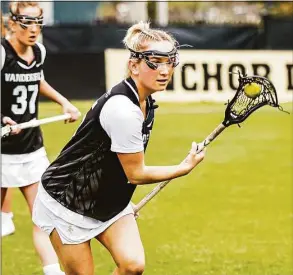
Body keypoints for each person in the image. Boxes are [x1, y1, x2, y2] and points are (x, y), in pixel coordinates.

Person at [33, 21, 206, 275]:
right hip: (68, 202)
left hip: (104, 201)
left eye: (170, 61)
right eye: (154, 62)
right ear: (133, 65)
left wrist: (117, 200)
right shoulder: (123, 110)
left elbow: (115, 165)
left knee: (132, 266)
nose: (164, 70)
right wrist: (183, 168)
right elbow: (135, 174)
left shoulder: (145, 102)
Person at [1, 1, 80, 274]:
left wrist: (64, 102)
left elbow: (37, 79)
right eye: (27, 23)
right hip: (1, 150)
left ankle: (53, 271)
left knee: (44, 217)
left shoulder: (39, 52)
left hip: (31, 148)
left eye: (38, 23)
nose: (34, 30)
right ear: (12, 23)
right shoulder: (2, 53)